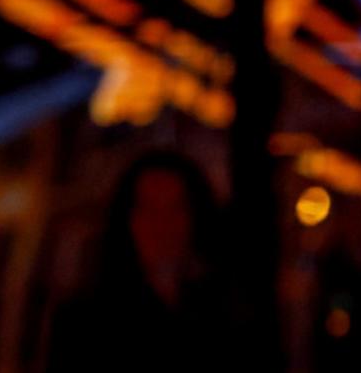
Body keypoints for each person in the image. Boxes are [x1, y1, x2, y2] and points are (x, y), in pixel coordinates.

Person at [47, 151, 241, 373]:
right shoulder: (85, 322)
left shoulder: (225, 313)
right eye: (149, 209)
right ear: (127, 220)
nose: (162, 225)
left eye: (175, 208)